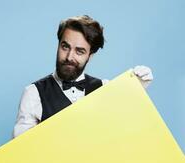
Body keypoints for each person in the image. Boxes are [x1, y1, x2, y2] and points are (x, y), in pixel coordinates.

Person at [13, 15, 153, 138]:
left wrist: (137, 89)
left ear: (90, 56)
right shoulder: (33, 93)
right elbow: (20, 150)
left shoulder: (104, 88)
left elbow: (124, 129)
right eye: (65, 47)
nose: (69, 57)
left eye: (79, 51)